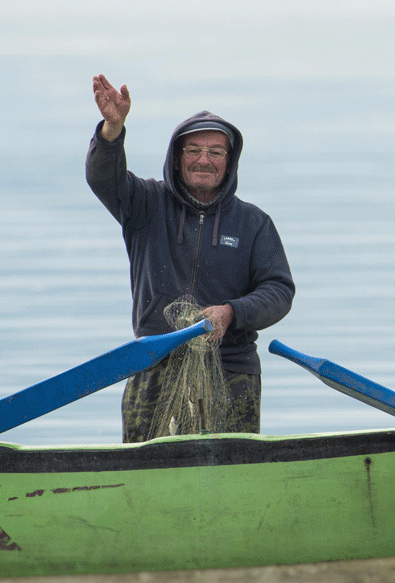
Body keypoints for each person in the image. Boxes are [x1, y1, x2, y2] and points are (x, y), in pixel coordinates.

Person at [87, 74, 295, 442]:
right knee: (143, 476)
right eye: (193, 150)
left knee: (234, 476)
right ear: (177, 157)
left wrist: (231, 312)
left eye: (215, 152)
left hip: (233, 371)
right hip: (154, 366)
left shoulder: (254, 223)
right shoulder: (144, 205)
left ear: (229, 162)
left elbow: (278, 291)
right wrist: (112, 130)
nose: (204, 160)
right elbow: (104, 179)